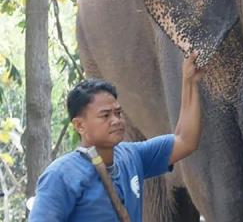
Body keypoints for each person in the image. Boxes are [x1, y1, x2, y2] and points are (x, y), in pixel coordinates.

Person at [29, 53, 203, 222]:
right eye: (105, 115)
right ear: (79, 125)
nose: (116, 121)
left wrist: (189, 82)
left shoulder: (132, 156)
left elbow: (185, 141)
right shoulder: (61, 175)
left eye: (118, 113)